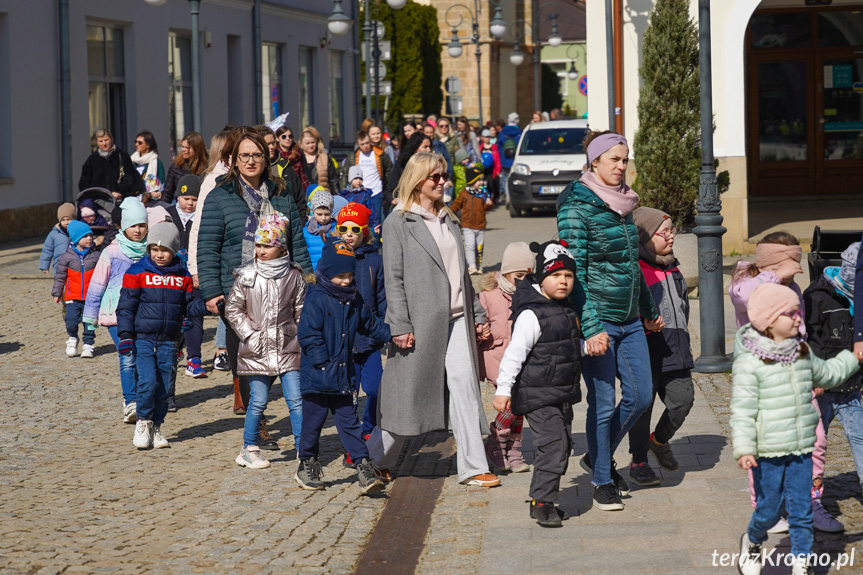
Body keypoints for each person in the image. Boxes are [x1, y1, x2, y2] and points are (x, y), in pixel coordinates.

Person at [367, 152, 500, 488]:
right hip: (419, 321)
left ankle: (473, 466)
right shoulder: (399, 222)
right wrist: (399, 324)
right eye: (435, 178)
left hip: (457, 319)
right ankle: (374, 458)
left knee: (465, 385)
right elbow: (393, 278)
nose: (442, 182)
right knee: (408, 394)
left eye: (443, 176)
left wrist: (478, 314)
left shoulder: (449, 218)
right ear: (418, 181)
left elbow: (464, 276)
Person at [557, 130, 662, 511]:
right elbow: (574, 275)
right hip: (598, 319)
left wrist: (648, 310)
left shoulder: (624, 204)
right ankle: (601, 477)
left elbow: (632, 264)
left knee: (640, 396)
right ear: (594, 162)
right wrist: (591, 326)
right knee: (603, 403)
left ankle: (596, 456)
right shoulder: (576, 207)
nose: (621, 166)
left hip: (631, 318)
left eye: (625, 159)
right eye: (614, 159)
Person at [731, 283, 859, 575]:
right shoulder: (750, 362)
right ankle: (752, 540)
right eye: (791, 313)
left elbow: (826, 373)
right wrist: (744, 448)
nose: (799, 318)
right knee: (769, 510)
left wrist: (852, 358)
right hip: (768, 450)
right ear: (770, 320)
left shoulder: (802, 351)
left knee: (801, 511)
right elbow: (742, 409)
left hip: (802, 448)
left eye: (798, 312)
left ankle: (801, 561)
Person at [196, 128, 311, 437]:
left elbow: (296, 241)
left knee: (286, 354)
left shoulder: (281, 193)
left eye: (256, 155)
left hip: (282, 288)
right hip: (239, 293)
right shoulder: (220, 197)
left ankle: (296, 420)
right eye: (244, 155)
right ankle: (257, 422)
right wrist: (211, 291)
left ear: (266, 157)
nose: (250, 161)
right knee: (247, 361)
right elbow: (208, 246)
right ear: (233, 160)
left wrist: (306, 282)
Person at [728, 232, 840, 532]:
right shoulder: (747, 282)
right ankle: (767, 507)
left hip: (797, 378)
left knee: (815, 440)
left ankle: (811, 502)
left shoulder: (792, 287)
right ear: (776, 261)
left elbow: (800, 333)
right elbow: (743, 297)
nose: (798, 269)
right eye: (793, 260)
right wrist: (773, 276)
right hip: (763, 382)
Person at [492, 240, 583, 527]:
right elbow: (514, 354)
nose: (563, 282)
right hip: (537, 393)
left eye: (568, 276)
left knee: (563, 444)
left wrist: (585, 347)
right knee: (554, 444)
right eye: (556, 276)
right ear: (542, 277)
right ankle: (542, 502)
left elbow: (561, 345)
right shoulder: (532, 313)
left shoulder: (564, 309)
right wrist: (504, 389)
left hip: (560, 391)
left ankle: (541, 498)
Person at [295, 237, 391, 494]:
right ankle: (307, 463)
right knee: (312, 424)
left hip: (343, 378)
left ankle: (363, 466)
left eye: (350, 275)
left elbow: (370, 324)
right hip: (318, 377)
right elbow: (308, 334)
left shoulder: (354, 299)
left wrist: (394, 335)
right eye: (341, 276)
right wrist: (322, 362)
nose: (346, 281)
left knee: (350, 423)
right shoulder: (316, 298)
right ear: (327, 273)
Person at [226, 212, 306, 468]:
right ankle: (248, 447)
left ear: (281, 247)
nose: (261, 250)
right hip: (257, 348)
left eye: (267, 245)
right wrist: (250, 333)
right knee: (258, 400)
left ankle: (303, 447)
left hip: (288, 346)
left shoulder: (294, 275)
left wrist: (300, 337)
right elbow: (233, 308)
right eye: (258, 245)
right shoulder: (247, 275)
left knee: (295, 399)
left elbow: (301, 310)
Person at [117, 222, 206, 450]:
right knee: (147, 381)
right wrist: (126, 335)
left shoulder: (183, 277)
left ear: (174, 250)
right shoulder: (137, 273)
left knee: (164, 387)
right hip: (143, 338)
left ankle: (156, 425)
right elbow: (126, 307)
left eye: (164, 250)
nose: (159, 254)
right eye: (154, 249)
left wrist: (207, 305)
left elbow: (189, 307)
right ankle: (143, 423)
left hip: (169, 340)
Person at [626, 207, 695, 487]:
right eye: (662, 232)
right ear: (643, 237)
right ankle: (638, 460)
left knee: (683, 400)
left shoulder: (674, 267)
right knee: (643, 408)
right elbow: (627, 310)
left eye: (672, 230)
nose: (670, 237)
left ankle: (660, 440)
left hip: (676, 350)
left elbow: (684, 308)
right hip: (644, 350)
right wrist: (643, 323)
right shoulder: (635, 270)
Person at [804, 242, 863, 509]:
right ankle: (810, 499)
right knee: (814, 447)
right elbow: (807, 342)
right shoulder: (817, 297)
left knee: (861, 438)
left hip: (851, 389)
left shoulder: (859, 300)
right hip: (822, 391)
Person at [83, 197, 149, 423]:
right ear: (123, 227)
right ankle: (130, 401)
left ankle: (143, 396)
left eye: (142, 225)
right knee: (128, 357)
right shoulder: (111, 252)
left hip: (144, 314)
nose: (138, 230)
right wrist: (90, 317)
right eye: (133, 225)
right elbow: (97, 285)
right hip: (115, 315)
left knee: (143, 356)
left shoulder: (152, 251)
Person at [479, 242, 535, 473]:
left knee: (519, 406)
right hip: (497, 358)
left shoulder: (532, 296)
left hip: (523, 359)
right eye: (518, 275)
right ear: (506, 273)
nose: (522, 281)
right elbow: (477, 324)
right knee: (512, 403)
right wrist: (479, 331)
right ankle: (495, 439)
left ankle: (512, 448)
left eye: (528, 276)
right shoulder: (489, 297)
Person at [335, 203, 386, 444]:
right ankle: (352, 439)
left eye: (354, 229)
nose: (348, 234)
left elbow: (383, 300)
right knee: (347, 394)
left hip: (370, 339)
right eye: (343, 228)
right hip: (343, 341)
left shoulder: (375, 261)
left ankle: (369, 426)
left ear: (364, 232)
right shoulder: (332, 258)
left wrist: (386, 330)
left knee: (375, 388)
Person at [167, 174, 207, 381]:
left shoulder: (203, 218)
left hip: (195, 275)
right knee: (174, 315)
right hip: (172, 275)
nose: (190, 203)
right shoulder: (168, 215)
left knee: (194, 316)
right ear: (178, 197)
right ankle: (175, 349)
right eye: (186, 199)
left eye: (194, 199)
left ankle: (194, 359)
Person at [52, 221, 99, 358]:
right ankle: (72, 338)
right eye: (85, 236)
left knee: (90, 322)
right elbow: (60, 277)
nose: (89, 238)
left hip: (91, 297)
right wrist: (57, 293)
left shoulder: (97, 255)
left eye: (90, 235)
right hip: (72, 296)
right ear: (76, 239)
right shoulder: (66, 257)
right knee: (71, 320)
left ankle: (88, 345)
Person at [339, 130, 392, 225]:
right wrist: (344, 190)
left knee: (376, 221)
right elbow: (345, 173)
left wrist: (386, 186)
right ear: (358, 144)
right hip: (359, 192)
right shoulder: (353, 157)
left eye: (367, 143)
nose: (365, 146)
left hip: (376, 192)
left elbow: (389, 169)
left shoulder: (379, 154)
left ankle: (375, 239)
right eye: (362, 144)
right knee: (359, 219)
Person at [449, 167, 493, 274]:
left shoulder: (484, 194)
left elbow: (487, 208)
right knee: (469, 245)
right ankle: (472, 265)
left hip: (480, 225)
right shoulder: (465, 193)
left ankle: (479, 265)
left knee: (479, 246)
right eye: (478, 180)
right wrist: (448, 211)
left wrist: (489, 204)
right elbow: (456, 205)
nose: (481, 182)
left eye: (482, 180)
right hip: (467, 224)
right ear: (472, 181)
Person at [78, 129, 143, 199]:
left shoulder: (122, 155)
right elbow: (84, 182)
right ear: (97, 142)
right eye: (101, 141)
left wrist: (120, 192)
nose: (104, 144)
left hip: (120, 199)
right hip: (98, 201)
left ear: (112, 139)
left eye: (106, 140)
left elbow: (129, 177)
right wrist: (93, 196)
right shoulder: (92, 159)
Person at [383, 133, 432, 216]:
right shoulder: (402, 165)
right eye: (425, 147)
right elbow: (390, 190)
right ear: (415, 149)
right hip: (406, 210)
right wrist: (393, 200)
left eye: (430, 146)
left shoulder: (432, 165)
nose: (429, 150)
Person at [163, 132, 207, 204]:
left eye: (187, 148)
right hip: (180, 207)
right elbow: (167, 193)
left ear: (197, 149)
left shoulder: (206, 168)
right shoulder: (176, 166)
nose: (184, 150)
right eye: (183, 147)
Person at [338, 167, 381, 238]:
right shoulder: (345, 195)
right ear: (350, 180)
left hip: (363, 225)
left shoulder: (365, 194)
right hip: (348, 224)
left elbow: (372, 211)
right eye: (355, 178)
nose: (358, 181)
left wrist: (375, 225)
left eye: (360, 179)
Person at [303, 186, 336, 271]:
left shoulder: (336, 229)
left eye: (327, 214)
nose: (323, 218)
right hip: (313, 272)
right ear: (313, 211)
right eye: (319, 214)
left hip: (332, 272)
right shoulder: (305, 231)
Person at [299, 127, 339, 193]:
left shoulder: (324, 157)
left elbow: (333, 180)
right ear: (301, 144)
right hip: (304, 198)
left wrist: (337, 196)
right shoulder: (298, 159)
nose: (311, 145)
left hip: (323, 196)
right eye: (307, 143)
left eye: (313, 142)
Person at [40, 203, 75, 274]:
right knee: (59, 283)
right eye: (63, 220)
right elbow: (47, 250)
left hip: (74, 266)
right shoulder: (54, 234)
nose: (66, 222)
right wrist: (44, 265)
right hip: (59, 266)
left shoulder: (77, 232)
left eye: (69, 219)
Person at [131, 131, 166, 196]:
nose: (136, 144)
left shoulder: (157, 163)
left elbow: (161, 183)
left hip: (150, 199)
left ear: (148, 145)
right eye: (136, 142)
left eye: (140, 143)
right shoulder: (131, 161)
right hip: (132, 197)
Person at [498, 114, 522, 204]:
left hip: (505, 159)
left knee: (506, 179)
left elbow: (499, 146)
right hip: (515, 159)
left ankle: (508, 196)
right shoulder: (520, 132)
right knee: (516, 179)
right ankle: (514, 197)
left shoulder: (502, 132)